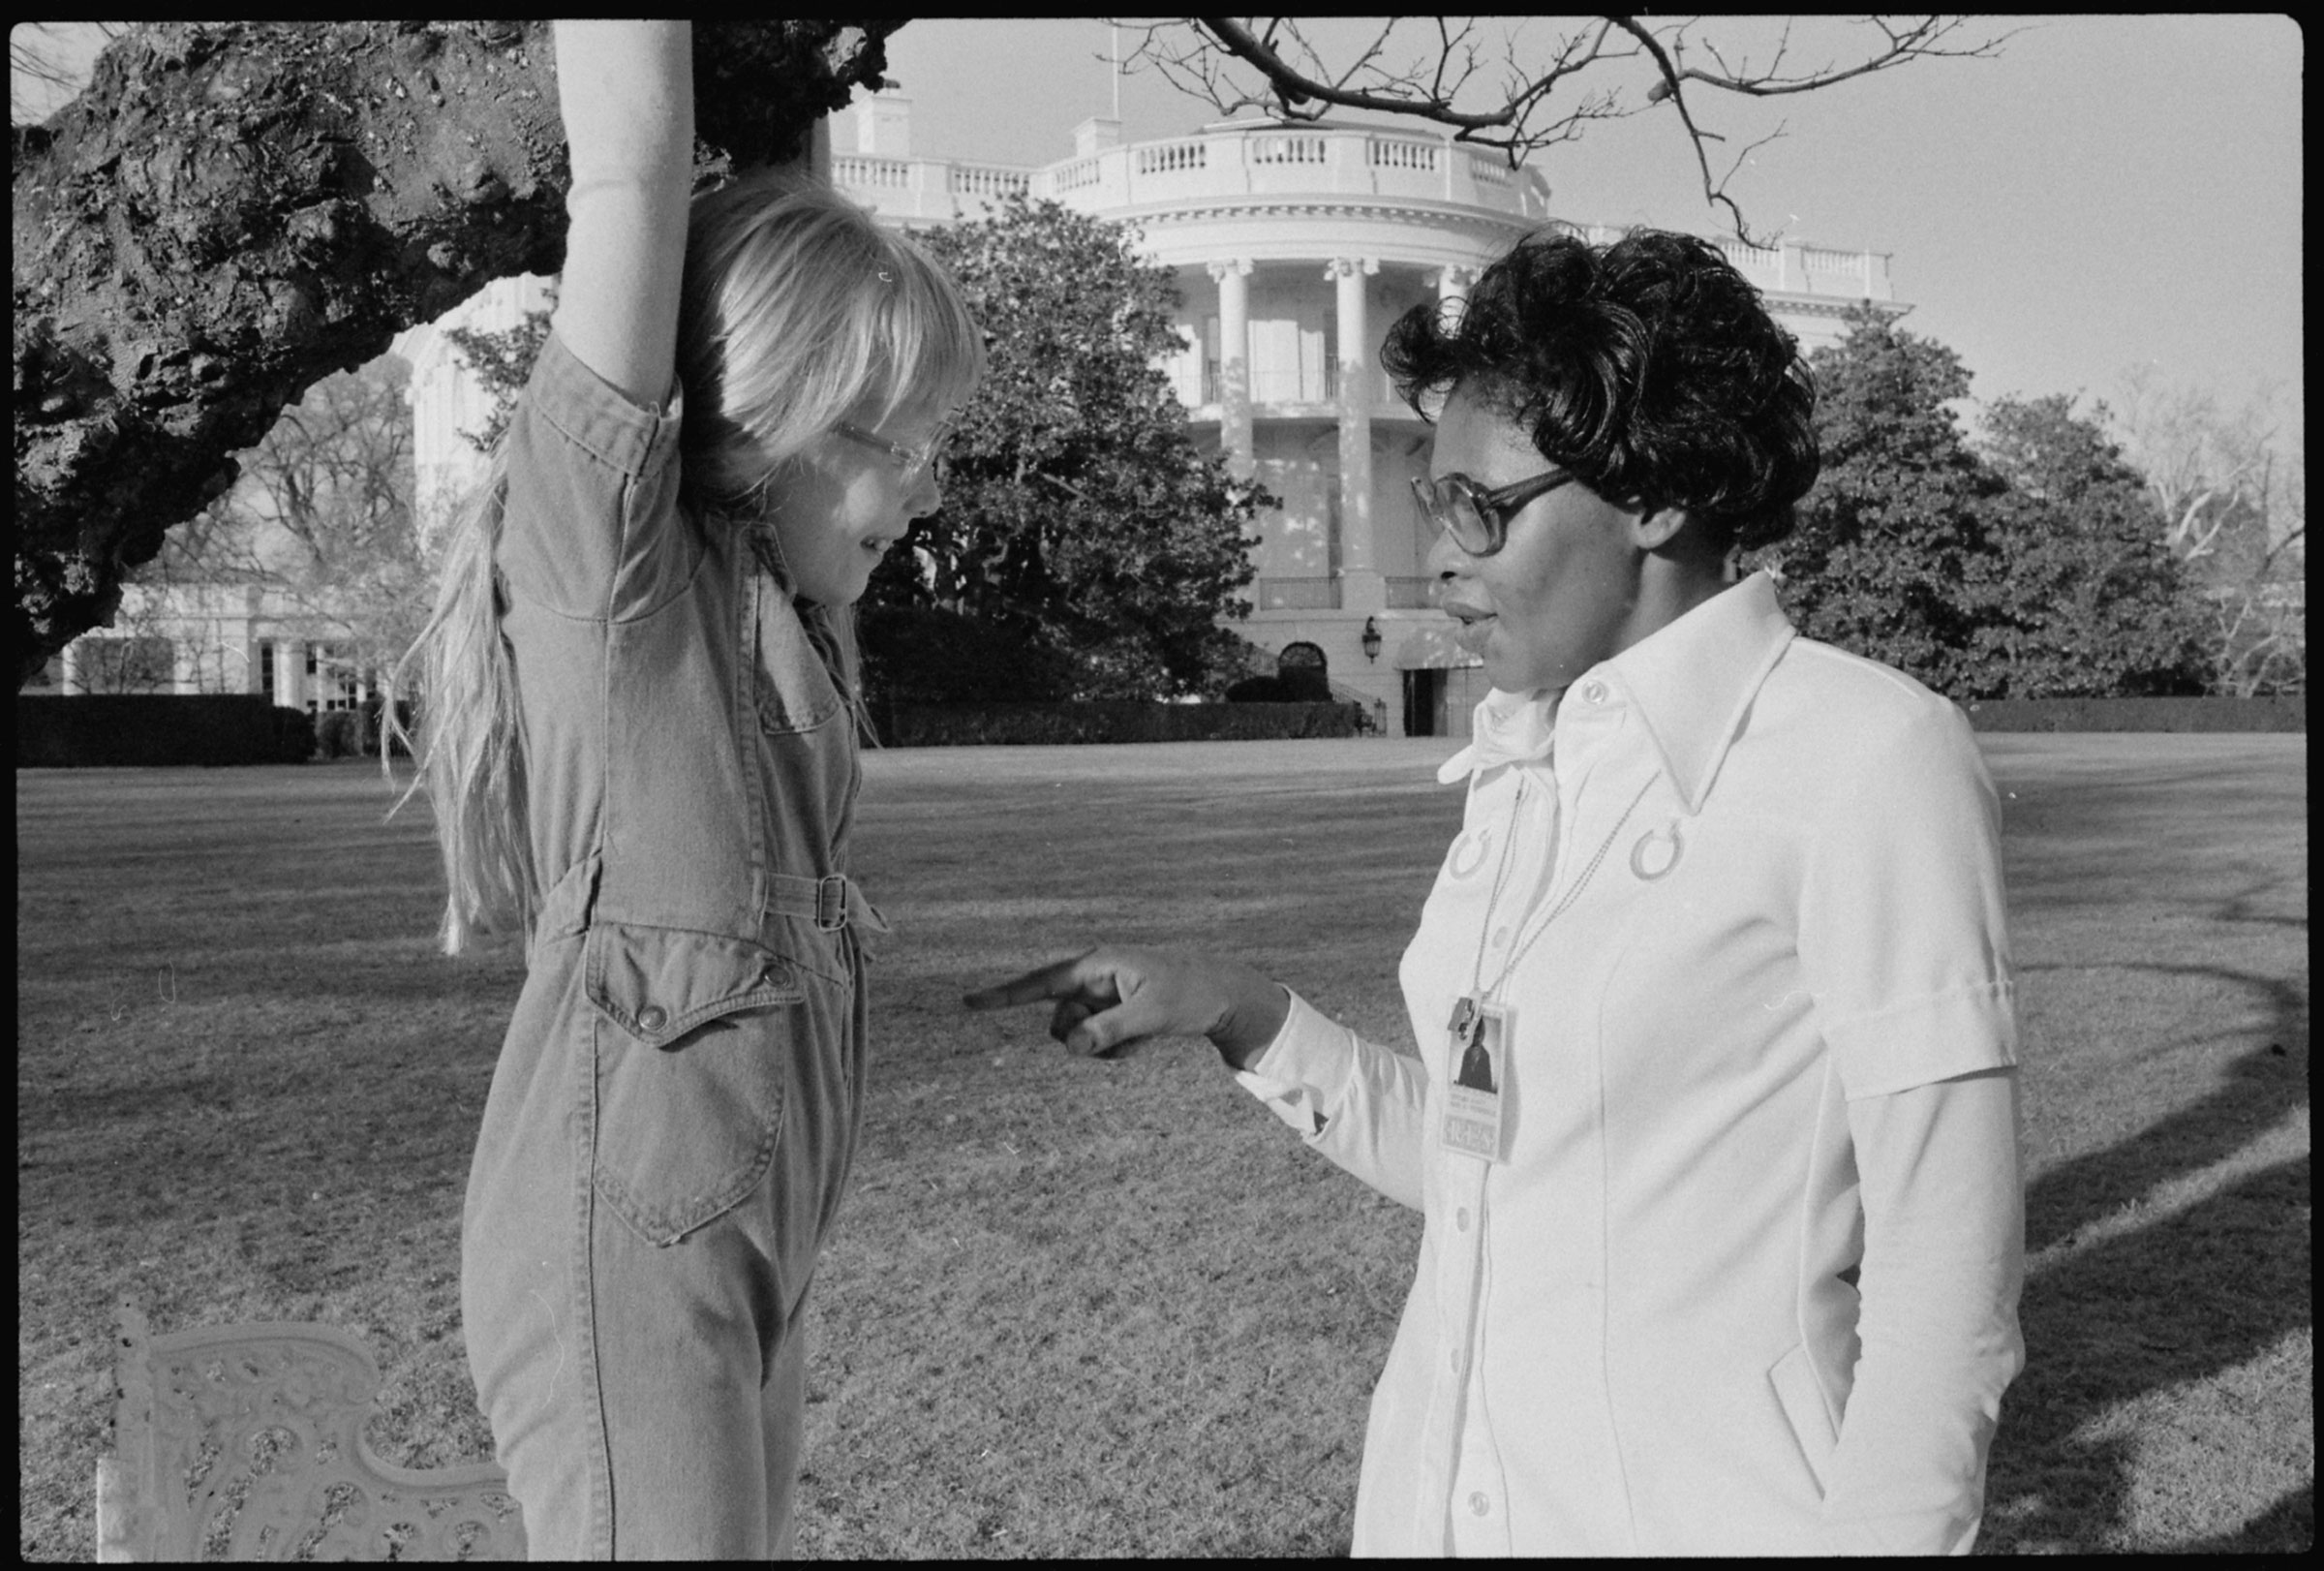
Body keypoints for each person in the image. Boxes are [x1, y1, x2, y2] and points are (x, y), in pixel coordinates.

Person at [968, 228, 2024, 1556]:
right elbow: (1494, 1167)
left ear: (1654, 494)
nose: (1444, 557)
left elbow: (1948, 1281)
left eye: (1483, 506)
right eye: (1434, 501)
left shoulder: (1868, 757)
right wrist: (1238, 1009)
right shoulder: (1523, 758)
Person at [388, 21, 982, 1557]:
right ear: (771, 418)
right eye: (888, 439)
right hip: (625, 1266)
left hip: (746, 1254)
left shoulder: (789, 612)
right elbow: (638, 169)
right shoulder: (624, 581)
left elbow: (774, 192)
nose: (920, 485)